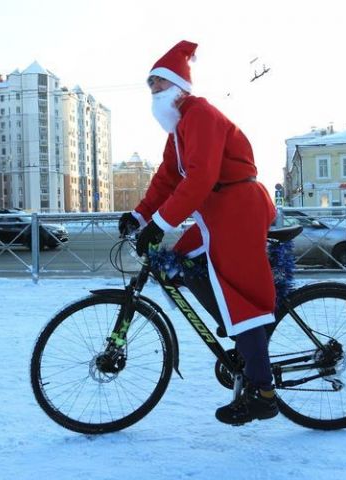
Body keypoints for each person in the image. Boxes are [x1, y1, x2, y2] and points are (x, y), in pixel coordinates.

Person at [118, 40, 279, 425]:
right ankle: (239, 336)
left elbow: (202, 177)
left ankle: (263, 392)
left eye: (156, 84)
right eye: (149, 85)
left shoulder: (201, 115)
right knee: (178, 263)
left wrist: (160, 224)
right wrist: (140, 217)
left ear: (176, 85)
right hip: (218, 211)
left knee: (240, 294)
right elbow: (167, 179)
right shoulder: (180, 128)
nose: (152, 92)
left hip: (237, 208)